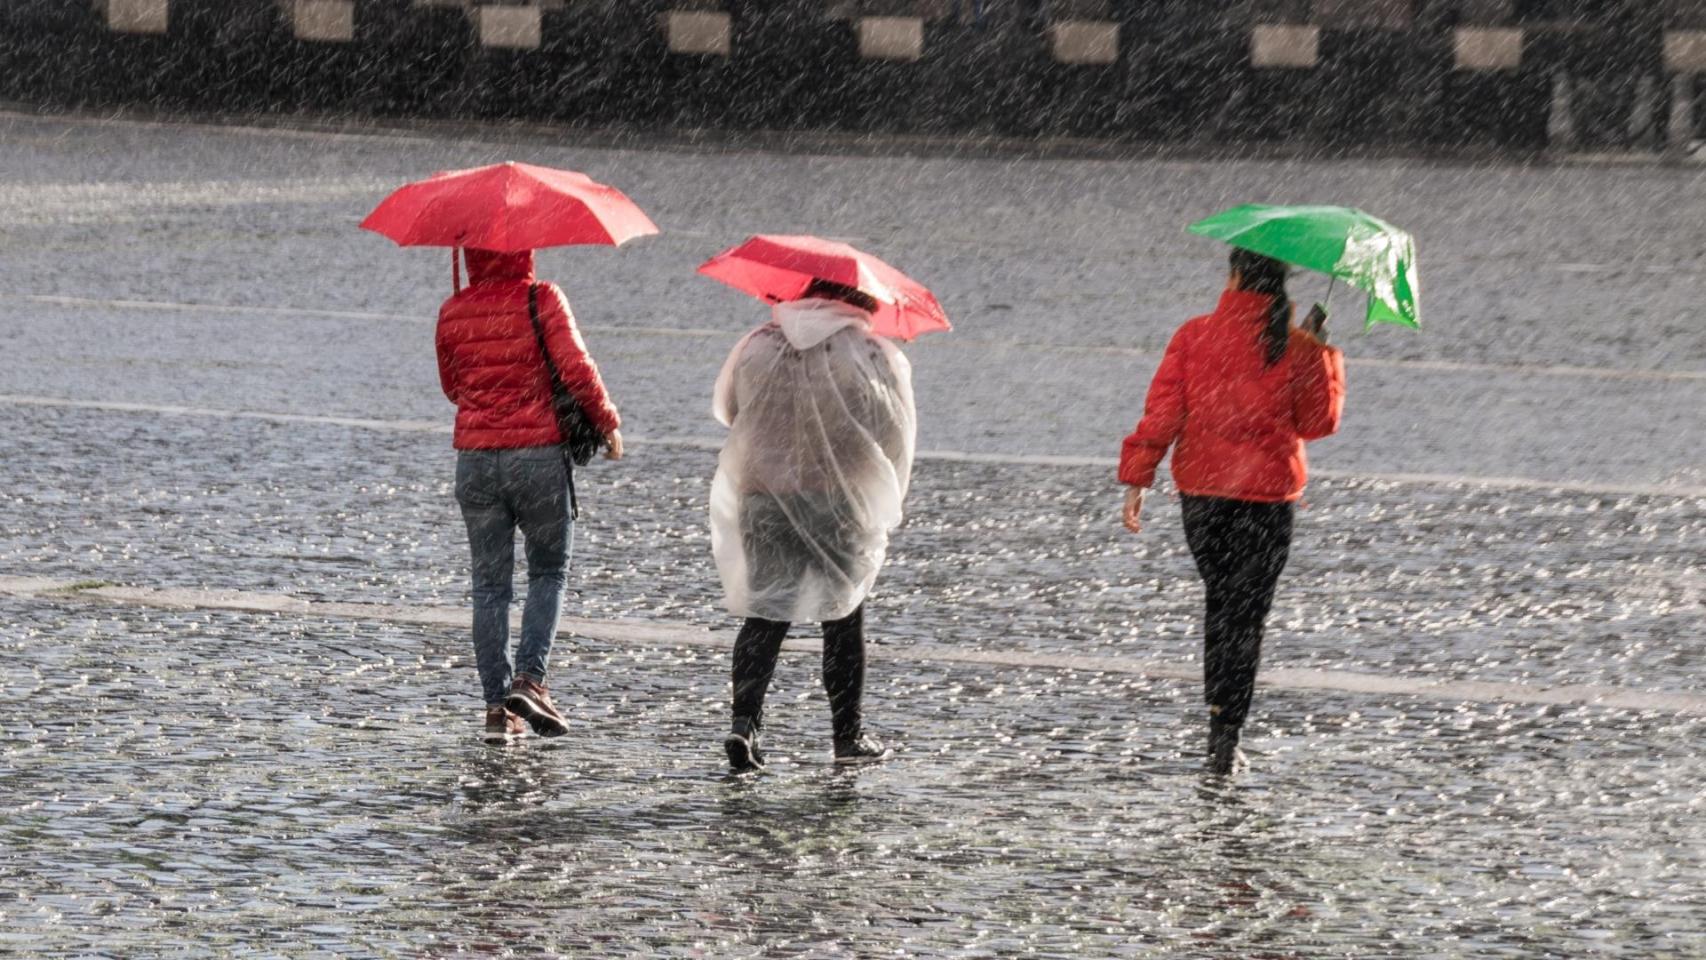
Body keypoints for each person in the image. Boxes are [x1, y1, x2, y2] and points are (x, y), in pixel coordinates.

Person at [1118, 248, 1345, 774]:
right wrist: (1322, 356)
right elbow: (1317, 424)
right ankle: (1226, 733)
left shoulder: (1194, 335)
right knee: (1246, 615)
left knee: (1222, 604)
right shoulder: (1297, 346)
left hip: (1203, 495)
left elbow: (1164, 411)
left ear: (1235, 275)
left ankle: (1220, 719)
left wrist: (1138, 477)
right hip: (1267, 501)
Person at [710, 278, 917, 772]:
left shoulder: (758, 344)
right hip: (838, 502)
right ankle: (847, 736)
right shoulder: (871, 354)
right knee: (844, 619)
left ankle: (745, 723)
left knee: (765, 615)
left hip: (766, 496)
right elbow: (892, 432)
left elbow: (731, 410)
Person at [435, 247, 623, 741]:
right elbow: (577, 369)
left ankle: (498, 710)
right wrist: (607, 422)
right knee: (548, 571)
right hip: (537, 455)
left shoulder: (453, 308)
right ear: (525, 251)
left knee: (489, 587)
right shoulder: (542, 299)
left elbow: (453, 386)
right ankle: (530, 680)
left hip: (474, 460)